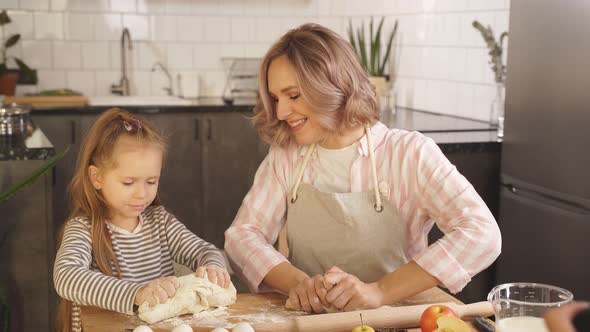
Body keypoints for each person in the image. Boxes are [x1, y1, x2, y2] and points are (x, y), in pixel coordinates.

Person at [224, 23, 502, 313]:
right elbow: (242, 236)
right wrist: (298, 284)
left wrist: (379, 291)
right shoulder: (286, 156)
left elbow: (482, 233)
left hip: (393, 320)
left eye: (293, 96)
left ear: (333, 86)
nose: (281, 112)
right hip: (310, 319)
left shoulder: (409, 154)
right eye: (276, 98)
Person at [54, 108, 230, 332]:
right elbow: (67, 277)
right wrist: (136, 293)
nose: (142, 194)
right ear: (96, 177)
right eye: (128, 183)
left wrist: (213, 266)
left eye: (151, 181)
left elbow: (205, 250)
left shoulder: (161, 222)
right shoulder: (83, 229)